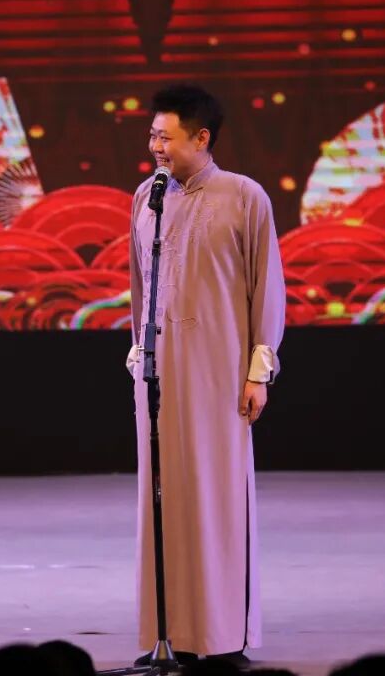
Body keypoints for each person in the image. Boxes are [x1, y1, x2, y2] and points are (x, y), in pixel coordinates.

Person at [127, 84, 286, 667]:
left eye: (165, 137)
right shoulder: (146, 197)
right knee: (161, 503)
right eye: (152, 136)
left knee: (217, 503)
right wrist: (138, 351)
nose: (155, 147)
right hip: (158, 376)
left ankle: (223, 638)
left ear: (201, 138)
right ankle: (168, 634)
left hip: (220, 374)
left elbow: (266, 286)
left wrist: (258, 371)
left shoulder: (244, 196)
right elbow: (139, 284)